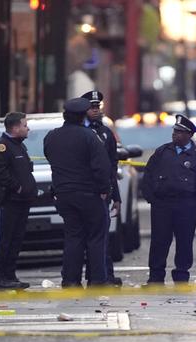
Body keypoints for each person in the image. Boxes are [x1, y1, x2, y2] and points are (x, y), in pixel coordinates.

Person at [43, 98, 112, 287]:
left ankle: (70, 280)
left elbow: (50, 158)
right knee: (96, 238)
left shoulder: (51, 136)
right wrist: (104, 189)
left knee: (73, 237)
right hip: (89, 194)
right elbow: (101, 167)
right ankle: (97, 280)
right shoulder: (89, 137)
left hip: (64, 194)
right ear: (83, 116)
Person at [142, 114, 196, 284]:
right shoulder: (162, 152)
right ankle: (156, 277)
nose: (175, 134)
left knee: (184, 242)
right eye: (174, 131)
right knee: (159, 241)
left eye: (180, 132)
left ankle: (181, 277)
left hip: (187, 205)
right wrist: (151, 197)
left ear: (189, 135)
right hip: (162, 204)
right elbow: (148, 175)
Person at [0, 112, 37, 289]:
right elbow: (0, 173)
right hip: (8, 202)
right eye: (24, 125)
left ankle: (10, 275)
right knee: (3, 239)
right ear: (15, 128)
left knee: (16, 240)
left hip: (22, 202)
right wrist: (18, 187)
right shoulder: (2, 146)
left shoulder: (18, 146)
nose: (27, 128)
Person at [81, 90, 122, 286]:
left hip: (102, 193)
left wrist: (116, 195)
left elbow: (112, 166)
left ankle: (105, 275)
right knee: (84, 238)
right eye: (92, 107)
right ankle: (90, 276)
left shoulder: (106, 132)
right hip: (83, 191)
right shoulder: (78, 130)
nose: (96, 111)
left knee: (102, 236)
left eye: (98, 107)